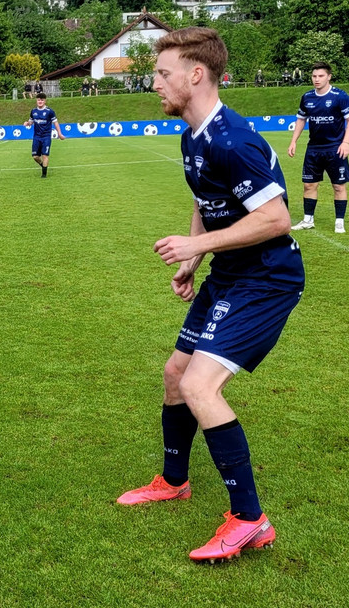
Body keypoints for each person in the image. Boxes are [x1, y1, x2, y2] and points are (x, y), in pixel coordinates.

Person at [118, 27, 304, 564]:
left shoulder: (234, 140)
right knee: (175, 373)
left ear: (195, 74)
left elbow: (275, 219)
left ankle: (250, 520)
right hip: (229, 271)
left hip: (267, 278)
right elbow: (209, 199)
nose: (155, 82)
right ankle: (175, 480)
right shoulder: (192, 135)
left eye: (162, 73)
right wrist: (195, 258)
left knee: (201, 385)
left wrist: (196, 243)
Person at [287, 61, 349, 233]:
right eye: (314, 76)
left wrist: (346, 143)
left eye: (321, 76)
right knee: (309, 185)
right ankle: (308, 220)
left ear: (329, 77)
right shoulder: (307, 97)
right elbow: (301, 119)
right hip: (314, 149)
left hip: (336, 148)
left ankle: (339, 221)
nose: (317, 79)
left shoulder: (340, 96)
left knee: (338, 186)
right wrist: (293, 141)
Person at [24, 92, 66, 178]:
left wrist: (60, 133)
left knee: (45, 155)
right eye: (38, 100)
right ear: (36, 101)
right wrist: (27, 123)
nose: (40, 101)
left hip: (46, 137)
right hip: (36, 137)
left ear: (45, 101)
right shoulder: (33, 111)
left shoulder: (49, 111)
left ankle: (44, 175)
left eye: (42, 100)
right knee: (35, 156)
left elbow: (56, 123)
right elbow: (31, 122)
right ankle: (43, 166)